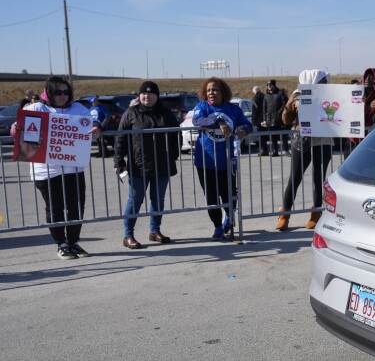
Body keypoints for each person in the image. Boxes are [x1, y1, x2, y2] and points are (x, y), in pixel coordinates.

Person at [10, 76, 102, 259]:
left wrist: (97, 127)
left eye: (66, 92)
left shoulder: (78, 108)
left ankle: (73, 242)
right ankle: (61, 243)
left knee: (75, 207)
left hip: (73, 168)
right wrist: (15, 128)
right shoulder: (36, 108)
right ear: (50, 92)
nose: (62, 96)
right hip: (46, 171)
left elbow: (92, 122)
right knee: (55, 208)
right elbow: (19, 129)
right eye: (58, 92)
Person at [114, 81, 181, 250]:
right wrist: (119, 161)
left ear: (157, 96)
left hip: (162, 165)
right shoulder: (131, 113)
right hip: (138, 165)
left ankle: (155, 231)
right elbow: (120, 138)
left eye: (151, 94)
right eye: (144, 94)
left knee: (158, 199)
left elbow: (176, 136)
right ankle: (128, 235)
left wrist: (173, 154)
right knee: (135, 200)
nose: (147, 97)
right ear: (139, 95)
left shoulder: (166, 114)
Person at [191, 77, 253, 240]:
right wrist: (218, 121)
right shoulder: (202, 107)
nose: (212, 93)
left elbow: (247, 124)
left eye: (215, 89)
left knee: (229, 194)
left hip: (227, 160)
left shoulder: (233, 109)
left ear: (222, 92)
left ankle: (229, 218)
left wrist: (243, 130)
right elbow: (197, 120)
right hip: (206, 161)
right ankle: (217, 226)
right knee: (211, 195)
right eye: (209, 90)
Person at [275, 69, 333, 230]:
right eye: (321, 81)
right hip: (302, 140)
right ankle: (284, 215)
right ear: (312, 80)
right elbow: (286, 120)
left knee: (318, 178)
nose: (324, 84)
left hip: (323, 140)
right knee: (295, 177)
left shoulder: (330, 95)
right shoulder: (298, 95)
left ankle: (315, 214)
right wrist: (289, 103)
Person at [345, 68, 375, 157]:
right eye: (366, 76)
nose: (368, 79)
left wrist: (372, 108)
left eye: (371, 77)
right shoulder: (358, 92)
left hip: (371, 136)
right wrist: (366, 106)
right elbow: (350, 111)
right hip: (354, 134)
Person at [261, 79, 287, 157]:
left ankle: (286, 150)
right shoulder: (266, 95)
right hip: (270, 119)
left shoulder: (279, 93)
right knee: (273, 136)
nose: (269, 87)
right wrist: (264, 119)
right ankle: (275, 151)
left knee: (283, 135)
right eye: (268, 85)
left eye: (270, 85)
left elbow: (284, 103)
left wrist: (279, 112)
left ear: (274, 85)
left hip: (279, 119)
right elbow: (264, 108)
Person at [251, 85, 269, 156]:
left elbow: (255, 112)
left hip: (259, 121)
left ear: (254, 92)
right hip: (266, 119)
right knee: (265, 136)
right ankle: (266, 150)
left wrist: (255, 121)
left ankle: (264, 150)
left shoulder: (255, 99)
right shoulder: (265, 97)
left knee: (261, 137)